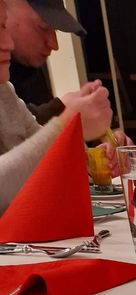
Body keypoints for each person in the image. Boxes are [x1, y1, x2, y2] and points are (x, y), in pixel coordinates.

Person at [0, 0, 113, 214]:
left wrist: (87, 158)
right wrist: (68, 127)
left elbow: (42, 154)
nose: (8, 44)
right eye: (43, 27)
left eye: (4, 26)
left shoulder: (5, 90)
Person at [8, 0, 84, 124]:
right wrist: (61, 111)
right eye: (43, 28)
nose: (54, 45)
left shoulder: (28, 66)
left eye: (55, 30)